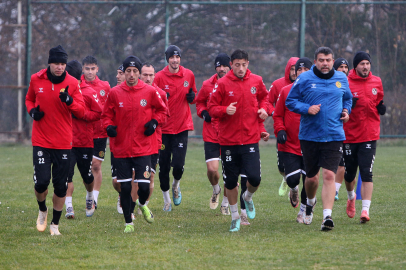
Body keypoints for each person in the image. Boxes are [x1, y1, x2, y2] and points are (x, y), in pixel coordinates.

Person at [285, 47, 352, 231]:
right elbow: (290, 101)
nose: (325, 63)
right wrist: (307, 108)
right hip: (310, 136)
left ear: (333, 61)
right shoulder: (305, 79)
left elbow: (348, 99)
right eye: (321, 60)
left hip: (334, 135)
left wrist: (346, 112)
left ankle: (327, 217)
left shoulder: (341, 78)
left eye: (328, 60)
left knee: (330, 174)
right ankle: (310, 203)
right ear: (315, 62)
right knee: (312, 179)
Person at [102, 55, 167, 232]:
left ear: (139, 73)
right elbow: (106, 115)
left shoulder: (149, 92)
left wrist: (154, 122)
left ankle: (142, 204)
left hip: (143, 148)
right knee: (124, 187)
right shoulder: (115, 93)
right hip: (121, 148)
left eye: (135, 71)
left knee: (144, 187)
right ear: (123, 72)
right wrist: (108, 127)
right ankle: (128, 223)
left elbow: (163, 111)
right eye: (128, 71)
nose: (131, 74)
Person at [25, 45, 86, 235]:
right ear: (49, 63)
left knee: (61, 186)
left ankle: (55, 225)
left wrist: (69, 102)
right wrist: (33, 111)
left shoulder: (73, 83)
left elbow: (82, 111)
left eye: (62, 64)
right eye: (56, 63)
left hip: (63, 142)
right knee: (41, 183)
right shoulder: (36, 79)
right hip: (41, 141)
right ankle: (42, 209)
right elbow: (28, 99)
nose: (59, 67)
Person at [208, 49, 269, 232]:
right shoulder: (223, 83)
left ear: (247, 64)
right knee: (230, 181)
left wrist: (264, 110)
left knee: (255, 178)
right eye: (237, 65)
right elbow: (211, 108)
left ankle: (248, 198)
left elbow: (265, 98)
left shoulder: (256, 81)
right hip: (228, 142)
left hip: (250, 139)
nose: (240, 68)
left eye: (243, 65)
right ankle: (235, 216)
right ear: (231, 65)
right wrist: (225, 110)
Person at [343, 51, 385, 223]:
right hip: (349, 136)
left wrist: (381, 106)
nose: (365, 67)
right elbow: (338, 104)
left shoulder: (377, 81)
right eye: (362, 64)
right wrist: (346, 106)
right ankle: (351, 197)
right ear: (355, 66)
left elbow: (378, 99)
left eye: (367, 63)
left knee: (367, 172)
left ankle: (365, 210)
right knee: (349, 175)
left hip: (369, 134)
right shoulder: (345, 82)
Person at [153, 45, 197, 211]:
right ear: (167, 59)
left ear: (180, 59)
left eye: (177, 57)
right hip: (163, 130)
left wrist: (192, 97)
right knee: (163, 166)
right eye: (172, 57)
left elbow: (194, 97)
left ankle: (176, 186)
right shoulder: (159, 77)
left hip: (181, 127)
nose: (175, 60)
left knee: (178, 165)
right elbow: (153, 100)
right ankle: (166, 200)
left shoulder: (189, 75)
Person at [273, 57, 312, 223]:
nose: (302, 73)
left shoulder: (317, 91)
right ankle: (293, 189)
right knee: (292, 179)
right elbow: (278, 115)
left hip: (311, 144)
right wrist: (280, 130)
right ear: (295, 73)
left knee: (309, 181)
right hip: (289, 144)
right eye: (299, 70)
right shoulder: (286, 90)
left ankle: (302, 212)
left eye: (305, 70)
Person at [64, 60, 102, 219]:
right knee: (67, 175)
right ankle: (69, 207)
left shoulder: (88, 91)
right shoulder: (63, 91)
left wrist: (81, 114)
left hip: (85, 141)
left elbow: (98, 113)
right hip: (66, 140)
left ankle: (89, 196)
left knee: (87, 176)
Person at [195, 52, 231, 214]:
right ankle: (216, 189)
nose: (221, 68)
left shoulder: (234, 84)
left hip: (230, 134)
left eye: (224, 65)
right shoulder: (207, 84)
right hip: (211, 133)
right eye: (219, 65)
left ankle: (225, 203)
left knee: (230, 172)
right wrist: (203, 113)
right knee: (212, 169)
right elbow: (199, 102)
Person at [81, 55, 111, 208]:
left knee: (96, 166)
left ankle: (94, 199)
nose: (90, 72)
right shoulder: (77, 85)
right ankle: (88, 193)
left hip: (100, 133)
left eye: (93, 68)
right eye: (87, 68)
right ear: (83, 69)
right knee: (85, 167)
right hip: (83, 132)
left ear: (97, 69)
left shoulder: (105, 86)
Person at [139, 62, 169, 209]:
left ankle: (143, 205)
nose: (148, 78)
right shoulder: (134, 91)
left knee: (149, 175)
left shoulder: (161, 94)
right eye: (145, 74)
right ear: (139, 75)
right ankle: (128, 201)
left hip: (153, 142)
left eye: (151, 75)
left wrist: (155, 123)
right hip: (134, 141)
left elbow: (165, 115)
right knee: (133, 177)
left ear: (155, 76)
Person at [268, 57, 299, 197]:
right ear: (287, 69)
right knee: (281, 167)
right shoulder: (278, 85)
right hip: (283, 133)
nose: (294, 72)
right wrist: (274, 112)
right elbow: (267, 102)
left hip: (302, 136)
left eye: (297, 69)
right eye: (292, 69)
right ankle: (286, 178)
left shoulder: (308, 86)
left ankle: (295, 189)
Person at [332, 58, 350, 201]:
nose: (344, 69)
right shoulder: (333, 83)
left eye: (345, 67)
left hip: (352, 133)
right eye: (341, 67)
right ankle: (335, 191)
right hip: (336, 130)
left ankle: (346, 194)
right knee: (339, 162)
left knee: (347, 167)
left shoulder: (351, 83)